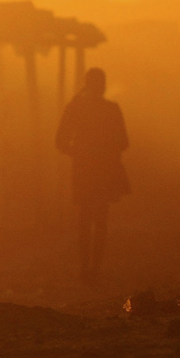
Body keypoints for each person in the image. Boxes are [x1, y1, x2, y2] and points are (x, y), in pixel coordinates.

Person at [55, 67, 130, 281]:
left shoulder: (75, 108)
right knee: (100, 220)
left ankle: (85, 269)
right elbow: (124, 142)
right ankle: (95, 269)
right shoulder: (112, 109)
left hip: (83, 170)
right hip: (105, 170)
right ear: (103, 86)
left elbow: (60, 141)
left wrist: (78, 154)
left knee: (84, 219)